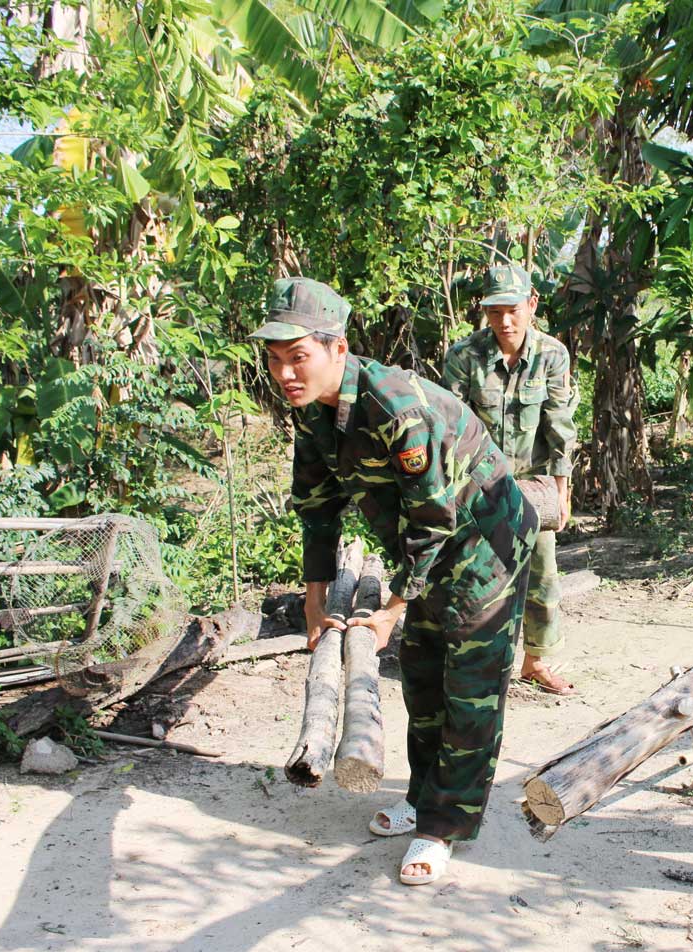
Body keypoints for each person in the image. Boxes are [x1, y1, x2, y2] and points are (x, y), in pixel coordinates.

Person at [251, 277, 538, 887]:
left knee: (469, 688)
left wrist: (389, 610)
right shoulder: (312, 414)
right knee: (423, 675)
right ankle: (423, 795)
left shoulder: (392, 405)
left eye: (297, 357)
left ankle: (444, 826)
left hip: (483, 542)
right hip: (427, 547)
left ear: (337, 348)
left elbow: (436, 517)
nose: (285, 374)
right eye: (275, 360)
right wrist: (314, 602)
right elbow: (317, 506)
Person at [443, 264, 580, 696]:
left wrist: (561, 490)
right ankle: (478, 663)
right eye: (495, 311)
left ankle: (536, 661)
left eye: (513, 310)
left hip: (533, 483)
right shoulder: (463, 356)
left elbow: (560, 424)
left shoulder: (552, 354)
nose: (504, 321)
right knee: (475, 576)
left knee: (541, 573)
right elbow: (451, 427)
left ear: (532, 305)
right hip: (478, 482)